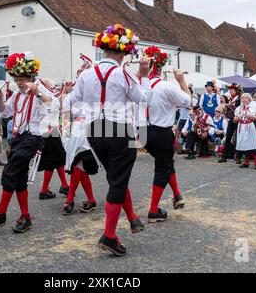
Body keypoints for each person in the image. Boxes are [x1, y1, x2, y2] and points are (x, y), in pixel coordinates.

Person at [69, 24, 152, 257]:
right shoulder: (124, 73)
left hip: (94, 129)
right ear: (124, 52)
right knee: (117, 180)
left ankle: (133, 218)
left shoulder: (86, 74)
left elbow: (73, 100)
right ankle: (109, 236)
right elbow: (144, 99)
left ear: (104, 49)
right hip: (118, 130)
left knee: (116, 175)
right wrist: (144, 78)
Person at [0, 52, 59, 235]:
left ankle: (0, 214)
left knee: (9, 173)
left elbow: (53, 105)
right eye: (17, 79)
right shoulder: (17, 94)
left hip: (33, 138)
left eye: (22, 79)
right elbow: (5, 112)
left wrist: (37, 92)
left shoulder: (40, 89)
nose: (19, 83)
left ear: (31, 78)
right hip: (17, 138)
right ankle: (25, 216)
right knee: (19, 178)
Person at [139, 46, 191, 222]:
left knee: (167, 162)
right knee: (163, 168)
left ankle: (177, 195)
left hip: (143, 133)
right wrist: (181, 80)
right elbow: (188, 102)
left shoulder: (139, 84)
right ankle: (153, 211)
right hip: (161, 132)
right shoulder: (166, 86)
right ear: (161, 67)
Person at [61, 79, 99, 215]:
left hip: (90, 130)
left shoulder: (96, 95)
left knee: (80, 164)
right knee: (80, 165)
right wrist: (65, 135)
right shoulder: (71, 97)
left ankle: (70, 200)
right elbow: (64, 115)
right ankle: (91, 200)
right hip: (76, 131)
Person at [37, 78, 70, 200]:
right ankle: (54, 188)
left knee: (56, 159)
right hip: (50, 131)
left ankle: (61, 186)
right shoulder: (44, 98)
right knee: (55, 159)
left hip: (50, 131)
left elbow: (58, 104)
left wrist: (64, 90)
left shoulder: (48, 98)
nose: (52, 86)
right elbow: (57, 104)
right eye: (50, 85)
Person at [234, 93, 256, 170]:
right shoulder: (238, 108)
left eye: (246, 98)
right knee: (244, 144)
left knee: (252, 144)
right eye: (242, 98)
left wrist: (253, 117)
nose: (244, 100)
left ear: (249, 99)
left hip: (250, 126)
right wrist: (238, 118)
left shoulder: (254, 106)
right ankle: (246, 163)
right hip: (241, 127)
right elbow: (234, 120)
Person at [218, 83, 242, 163]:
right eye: (230, 89)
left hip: (239, 120)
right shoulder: (230, 99)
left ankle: (238, 156)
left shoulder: (240, 99)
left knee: (238, 138)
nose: (230, 91)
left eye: (232, 89)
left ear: (236, 91)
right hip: (231, 120)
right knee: (228, 137)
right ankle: (224, 156)